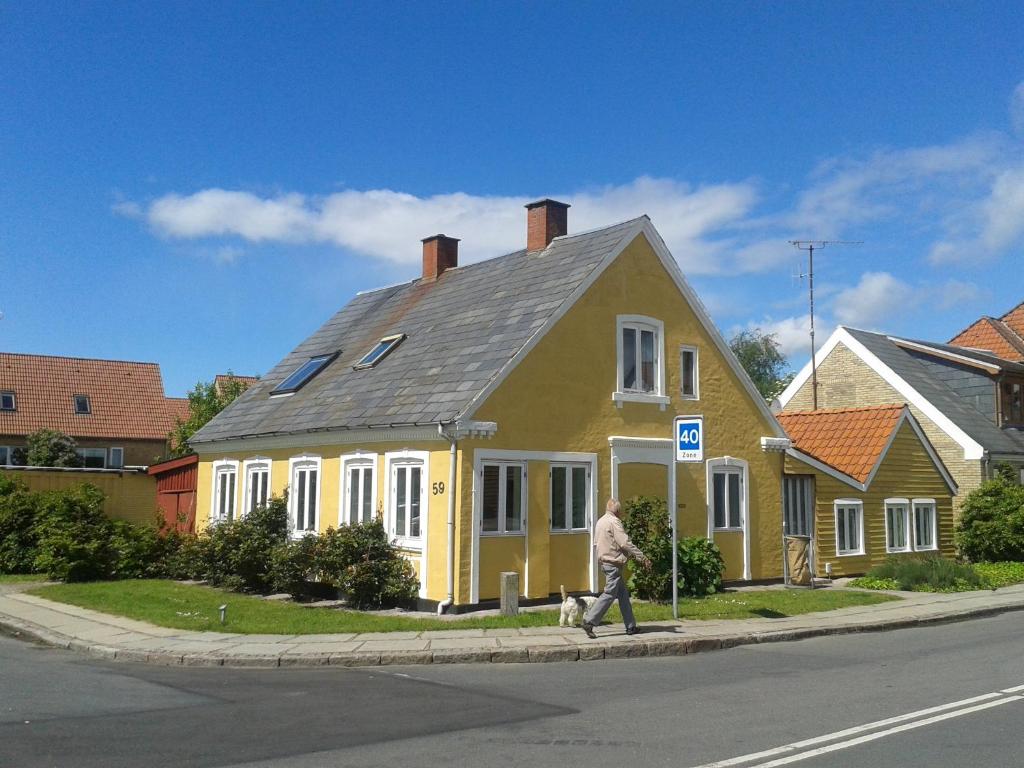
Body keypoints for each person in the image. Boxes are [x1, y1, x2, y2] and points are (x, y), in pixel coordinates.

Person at [582, 498, 650, 638]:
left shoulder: (600, 521)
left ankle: (631, 626)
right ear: (618, 511)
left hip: (605, 562)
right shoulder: (614, 522)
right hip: (613, 564)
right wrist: (641, 557)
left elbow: (597, 543)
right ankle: (589, 621)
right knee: (609, 594)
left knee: (623, 595)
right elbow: (624, 543)